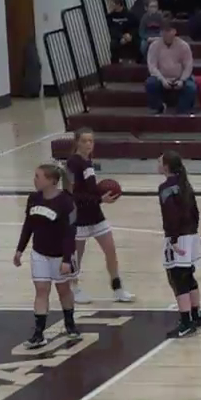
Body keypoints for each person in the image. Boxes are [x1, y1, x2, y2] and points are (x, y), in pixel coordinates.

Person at [61, 129, 133, 303]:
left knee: (111, 251)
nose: (88, 144)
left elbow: (90, 189)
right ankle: (74, 289)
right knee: (76, 256)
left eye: (91, 141)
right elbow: (74, 194)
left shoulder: (89, 161)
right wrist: (100, 199)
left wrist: (102, 194)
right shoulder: (72, 163)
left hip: (95, 214)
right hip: (79, 217)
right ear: (77, 142)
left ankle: (117, 288)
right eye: (84, 141)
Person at [14, 163, 79, 346]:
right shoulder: (33, 198)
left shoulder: (66, 202)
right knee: (41, 291)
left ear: (51, 181)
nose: (34, 180)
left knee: (63, 291)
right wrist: (20, 249)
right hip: (39, 253)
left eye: (38, 176)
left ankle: (70, 324)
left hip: (60, 255)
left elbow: (70, 233)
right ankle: (39, 334)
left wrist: (67, 259)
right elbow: (28, 225)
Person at [157, 152, 201, 338]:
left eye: (159, 161)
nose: (157, 164)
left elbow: (171, 216)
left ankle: (186, 322)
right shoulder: (185, 184)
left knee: (177, 278)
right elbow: (196, 212)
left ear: (166, 166)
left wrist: (174, 239)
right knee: (189, 275)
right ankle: (196, 316)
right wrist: (193, 232)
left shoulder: (166, 188)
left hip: (179, 237)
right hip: (191, 235)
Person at [145, 24, 196, 114]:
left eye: (169, 31)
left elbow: (188, 66)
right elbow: (152, 66)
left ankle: (182, 111)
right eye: (165, 31)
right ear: (161, 32)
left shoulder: (184, 46)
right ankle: (159, 107)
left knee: (191, 87)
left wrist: (182, 80)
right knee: (150, 83)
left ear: (175, 32)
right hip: (161, 78)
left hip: (179, 78)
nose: (167, 34)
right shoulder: (154, 46)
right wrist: (162, 79)